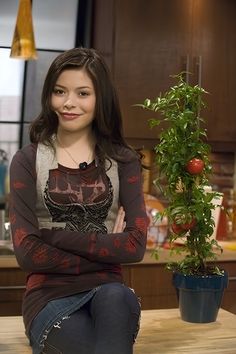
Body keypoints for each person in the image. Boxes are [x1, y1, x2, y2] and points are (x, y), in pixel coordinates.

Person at [9, 47, 148, 354]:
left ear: (101, 99)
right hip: (49, 296)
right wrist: (106, 247)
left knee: (117, 297)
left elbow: (135, 246)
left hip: (111, 294)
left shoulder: (123, 162)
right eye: (60, 91)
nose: (68, 103)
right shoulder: (27, 161)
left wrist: (50, 236)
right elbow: (28, 255)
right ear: (49, 96)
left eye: (83, 93)